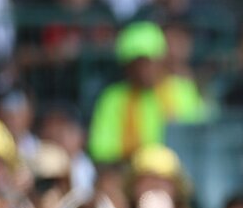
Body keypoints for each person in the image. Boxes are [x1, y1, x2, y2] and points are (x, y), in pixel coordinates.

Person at [87, 22, 207, 164]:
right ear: (126, 67)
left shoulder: (182, 90)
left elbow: (202, 135)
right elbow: (100, 148)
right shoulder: (113, 98)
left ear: (162, 60)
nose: (144, 70)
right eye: (137, 63)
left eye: (150, 61)